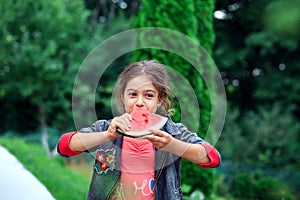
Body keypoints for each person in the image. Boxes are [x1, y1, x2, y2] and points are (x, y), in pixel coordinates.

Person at [57, 60, 221, 200]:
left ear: (160, 99)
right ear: (123, 97)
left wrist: (172, 145)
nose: (140, 102)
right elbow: (65, 146)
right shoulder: (107, 128)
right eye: (133, 94)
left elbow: (211, 158)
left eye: (149, 95)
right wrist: (106, 136)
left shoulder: (173, 132)